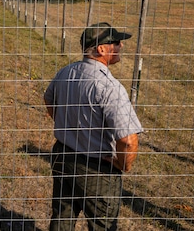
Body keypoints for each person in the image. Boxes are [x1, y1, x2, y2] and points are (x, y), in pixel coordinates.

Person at [44, 22, 144, 231]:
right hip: (96, 168)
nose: (121, 46)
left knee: (62, 217)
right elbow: (127, 140)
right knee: (102, 224)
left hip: (63, 156)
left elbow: (49, 100)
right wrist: (122, 165)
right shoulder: (109, 87)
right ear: (101, 49)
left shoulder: (65, 72)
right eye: (115, 42)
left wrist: (68, 127)